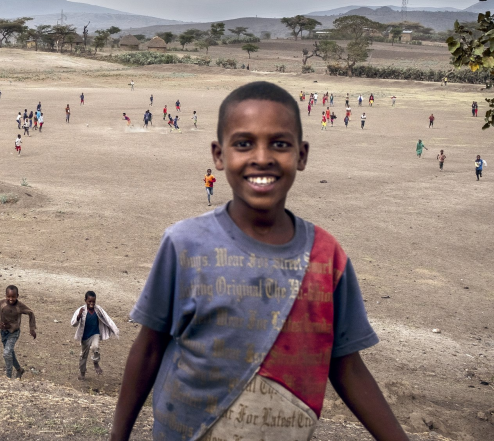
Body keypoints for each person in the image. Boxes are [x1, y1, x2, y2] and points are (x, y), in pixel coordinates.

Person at [110, 81, 407, 441]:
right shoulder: (184, 244)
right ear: (219, 155)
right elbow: (148, 348)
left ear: (302, 155)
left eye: (279, 144)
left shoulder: (327, 257)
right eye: (243, 143)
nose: (262, 157)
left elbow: (348, 367)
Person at [0, 285, 36, 379]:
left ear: (17, 296)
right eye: (8, 296)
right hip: (3, 332)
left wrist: (32, 328)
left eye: (13, 297)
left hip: (14, 332)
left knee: (6, 353)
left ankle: (8, 376)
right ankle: (19, 370)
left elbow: (31, 313)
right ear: (5, 295)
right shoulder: (1, 303)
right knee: (9, 352)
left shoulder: (20, 306)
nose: (11, 299)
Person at [71, 291, 119, 380]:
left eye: (93, 301)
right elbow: (73, 324)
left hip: (95, 333)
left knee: (95, 347)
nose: (92, 303)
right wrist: (79, 316)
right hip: (85, 337)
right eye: (89, 301)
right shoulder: (81, 310)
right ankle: (82, 372)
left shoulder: (98, 309)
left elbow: (107, 318)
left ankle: (95, 362)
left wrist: (114, 328)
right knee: (83, 356)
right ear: (85, 300)